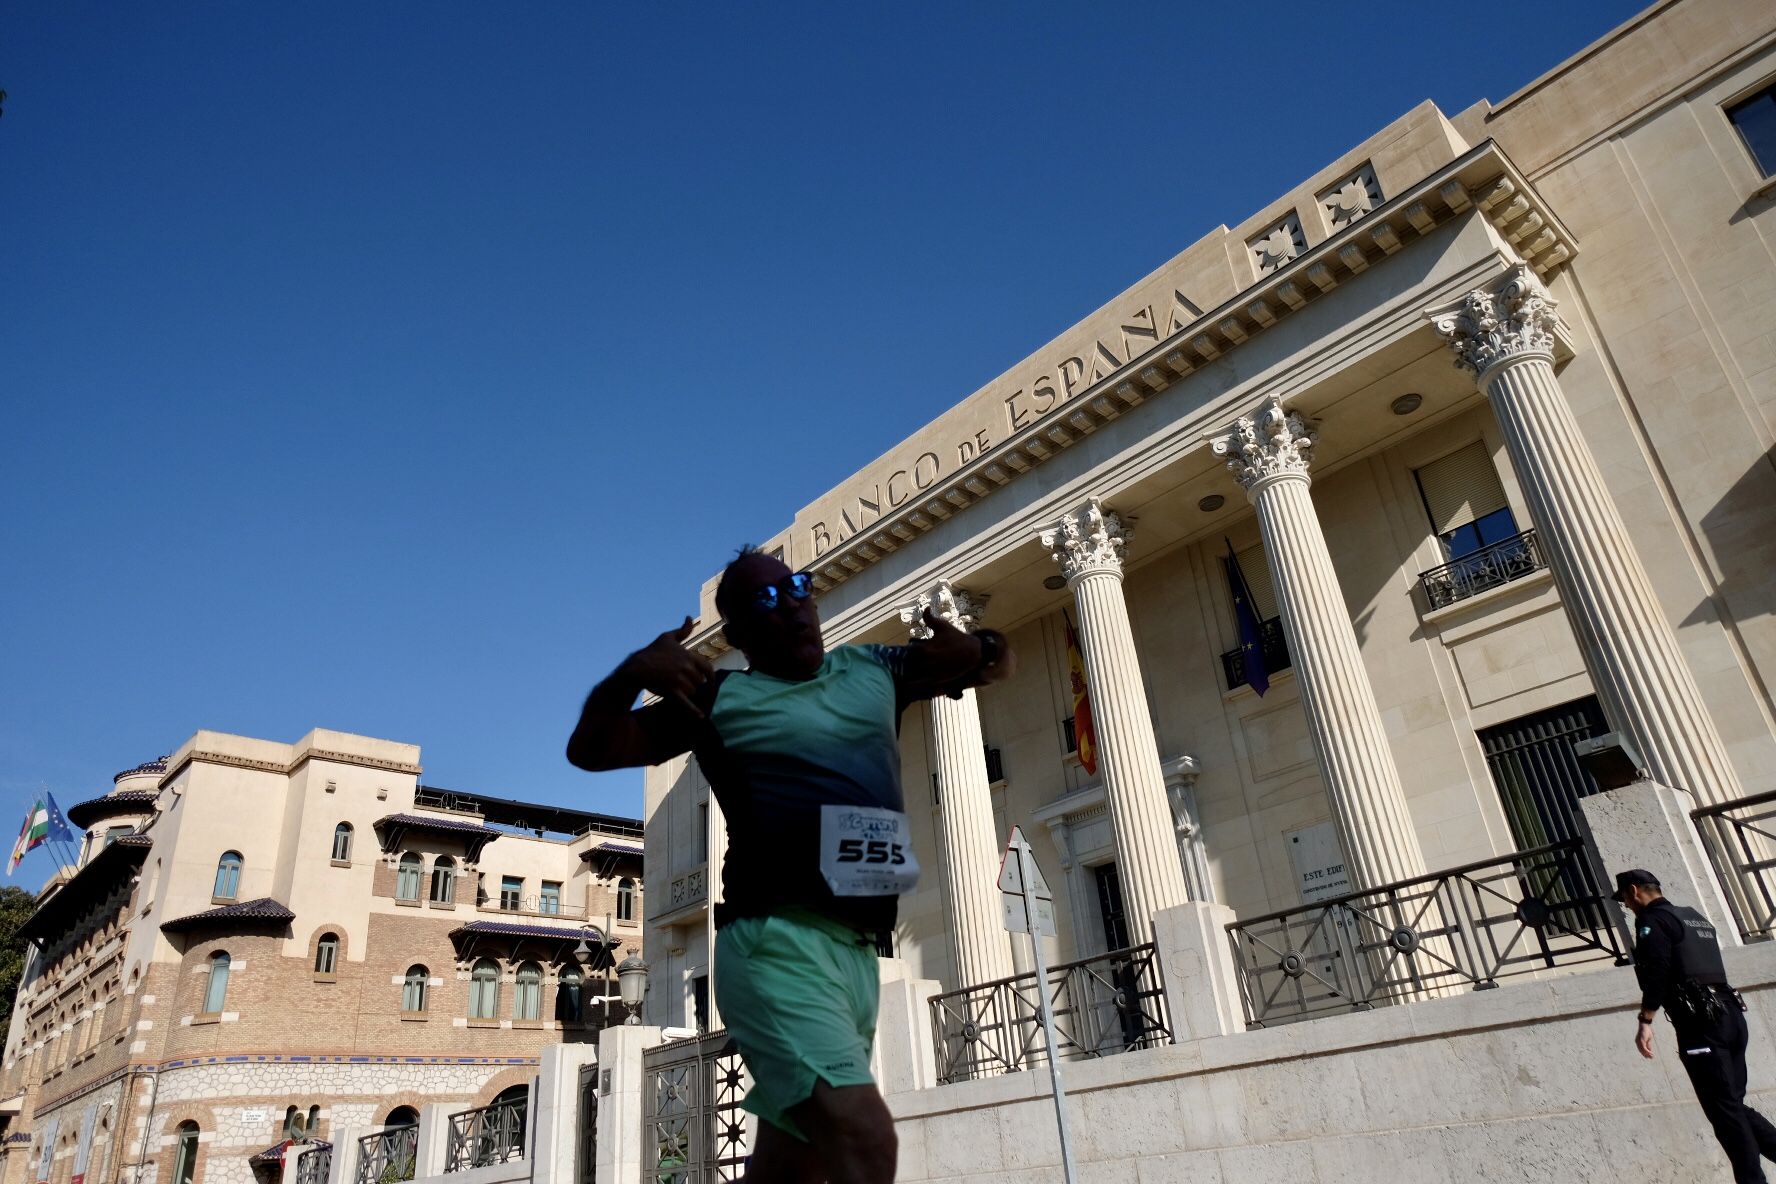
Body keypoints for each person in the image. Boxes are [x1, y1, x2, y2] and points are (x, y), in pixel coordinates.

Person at [566, 548, 1015, 1184]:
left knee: (790, 1166)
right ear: (740, 634)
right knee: (865, 1141)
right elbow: (589, 749)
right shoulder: (716, 700)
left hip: (858, 955)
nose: (794, 604)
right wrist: (631, 673)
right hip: (776, 946)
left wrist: (982, 647)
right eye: (768, 599)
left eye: (798, 586)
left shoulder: (875, 669)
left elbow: (999, 662)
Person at [1618, 867, 1776, 1183]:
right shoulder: (1694, 917)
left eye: (1624, 898)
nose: (1625, 904)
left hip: (1701, 1024)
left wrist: (1645, 1019)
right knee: (1732, 1105)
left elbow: (1657, 971)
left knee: (1725, 1114)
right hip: (1730, 1014)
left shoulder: (1652, 921)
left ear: (1634, 891)